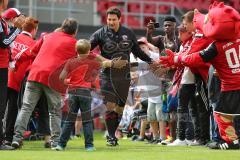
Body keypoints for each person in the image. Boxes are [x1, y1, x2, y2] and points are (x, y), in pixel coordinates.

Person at [160, 2, 240, 149]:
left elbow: (195, 57)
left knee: (219, 113)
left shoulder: (216, 46)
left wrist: (177, 58)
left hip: (229, 85)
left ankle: (230, 141)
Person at [11, 18, 79, 149]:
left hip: (35, 74)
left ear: (62, 27)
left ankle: (16, 139)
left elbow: (32, 51)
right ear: (75, 32)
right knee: (54, 111)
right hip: (52, 79)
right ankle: (55, 142)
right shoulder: (74, 43)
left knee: (26, 108)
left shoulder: (47, 36)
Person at [89, 6, 152, 146]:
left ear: (119, 19)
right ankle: (111, 137)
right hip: (107, 75)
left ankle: (113, 132)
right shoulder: (100, 33)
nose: (110, 22)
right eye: (109, 19)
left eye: (113, 19)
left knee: (120, 108)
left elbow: (137, 51)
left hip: (124, 76)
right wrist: (104, 61)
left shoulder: (128, 33)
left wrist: (151, 61)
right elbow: (86, 50)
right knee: (110, 106)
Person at [54, 39, 127, 151]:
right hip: (85, 93)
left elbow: (61, 78)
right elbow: (105, 64)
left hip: (73, 92)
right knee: (87, 120)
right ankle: (89, 146)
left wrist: (69, 81)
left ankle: (61, 145)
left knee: (70, 120)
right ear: (89, 51)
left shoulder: (70, 62)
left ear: (76, 50)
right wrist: (117, 63)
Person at [4, 17, 38, 146]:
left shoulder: (13, 37)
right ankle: (8, 138)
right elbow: (32, 66)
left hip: (4, 75)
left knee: (2, 109)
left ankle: (5, 137)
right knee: (13, 110)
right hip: (16, 82)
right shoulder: (33, 44)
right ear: (34, 30)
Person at [0, 0, 23, 150]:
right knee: (1, 106)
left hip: (3, 67)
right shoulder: (2, 23)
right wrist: (17, 29)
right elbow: (4, 42)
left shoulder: (3, 22)